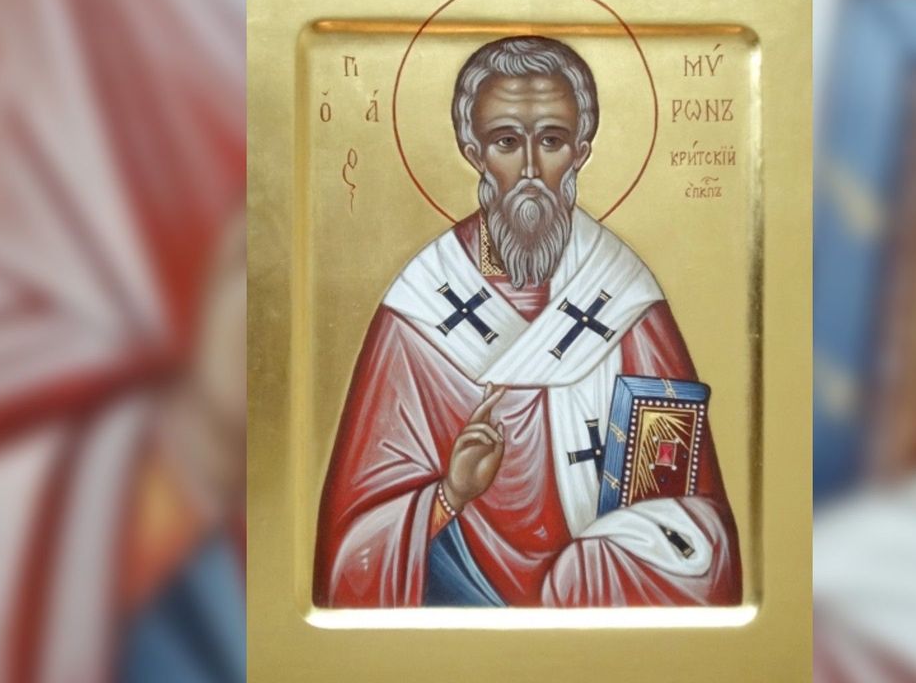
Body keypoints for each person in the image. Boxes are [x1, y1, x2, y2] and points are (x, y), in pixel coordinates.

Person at [313, 36, 741, 608]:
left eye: (553, 140)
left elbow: (687, 508)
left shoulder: (623, 295)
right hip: (461, 603)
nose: (532, 170)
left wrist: (616, 554)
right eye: (507, 142)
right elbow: (354, 549)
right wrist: (451, 493)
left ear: (581, 150)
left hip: (597, 606)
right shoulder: (420, 309)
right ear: (473, 150)